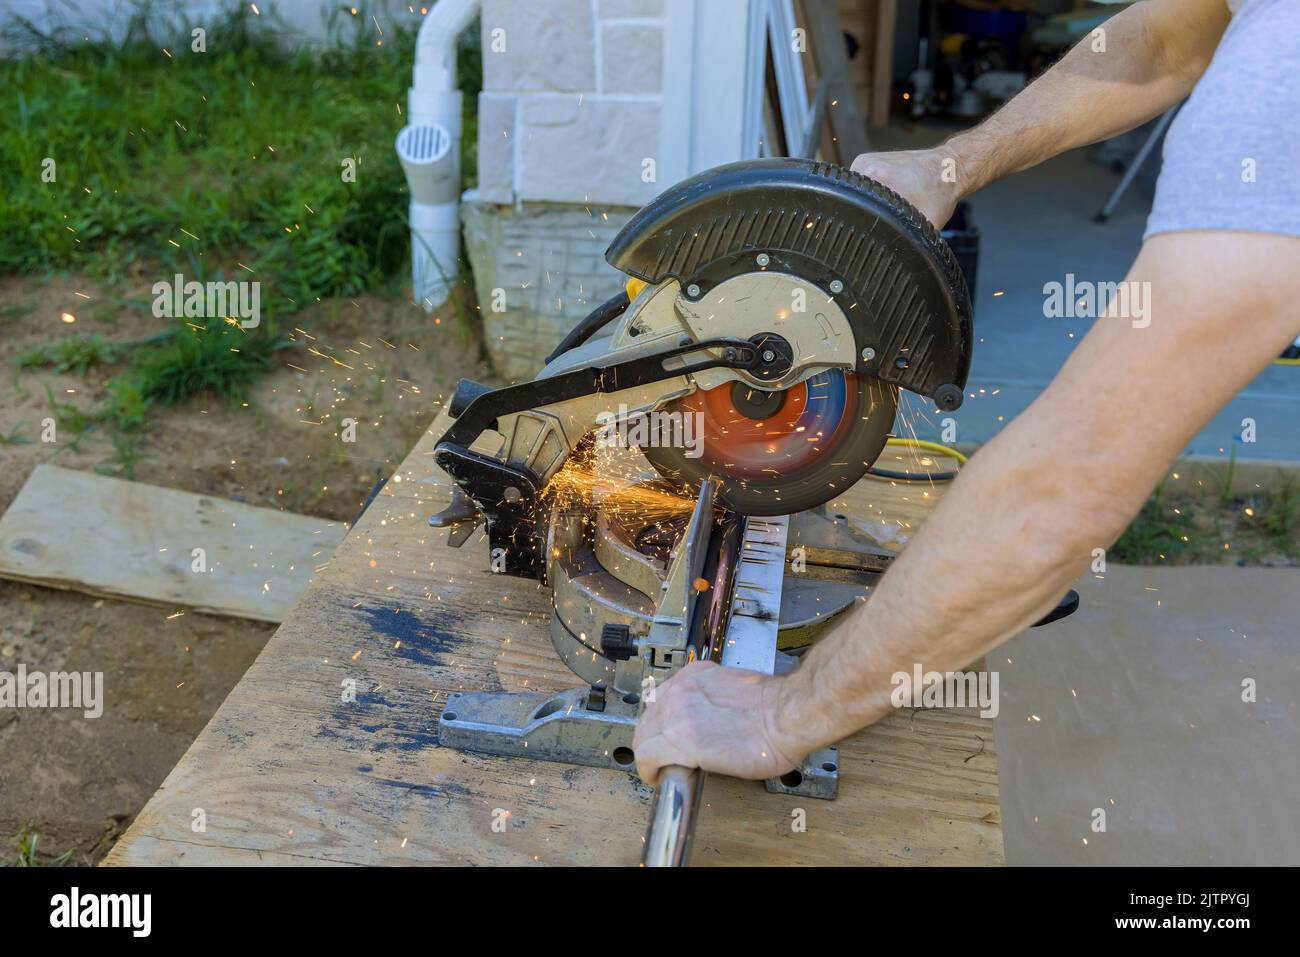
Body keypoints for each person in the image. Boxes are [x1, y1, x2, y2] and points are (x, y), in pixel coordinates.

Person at [633, 0, 1299, 786]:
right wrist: (947, 165)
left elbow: (1064, 487)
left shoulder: (1275, 86)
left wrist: (782, 715)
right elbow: (1159, 42)